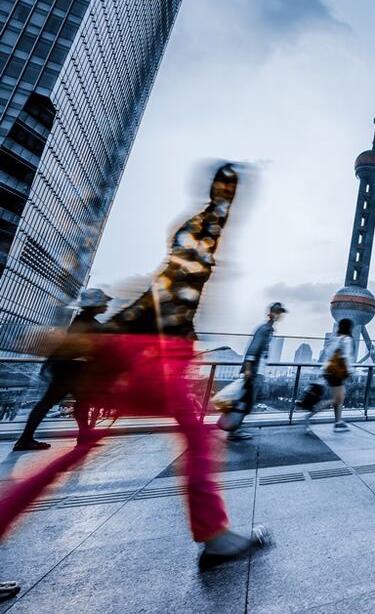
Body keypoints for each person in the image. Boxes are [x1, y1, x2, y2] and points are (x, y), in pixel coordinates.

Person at [0, 163, 269, 571]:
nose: (210, 252)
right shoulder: (185, 271)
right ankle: (215, 536)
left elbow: (139, 309)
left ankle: (215, 534)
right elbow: (195, 249)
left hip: (147, 358)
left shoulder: (172, 271)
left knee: (80, 453)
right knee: (196, 441)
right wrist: (223, 198)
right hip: (158, 362)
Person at [12, 289, 111, 451]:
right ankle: (25, 439)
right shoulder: (87, 323)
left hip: (68, 368)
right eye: (103, 303)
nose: (106, 306)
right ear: (96, 305)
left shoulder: (84, 321)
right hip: (70, 370)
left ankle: (83, 435)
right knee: (53, 402)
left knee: (77, 402)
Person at [225, 302, 287, 441]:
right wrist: (248, 369)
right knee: (246, 402)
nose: (279, 316)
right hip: (254, 372)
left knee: (249, 401)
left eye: (280, 313)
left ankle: (235, 427)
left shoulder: (269, 330)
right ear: (271, 313)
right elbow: (253, 349)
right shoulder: (264, 329)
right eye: (277, 312)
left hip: (259, 372)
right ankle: (233, 430)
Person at [310, 318, 353, 431]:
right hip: (337, 372)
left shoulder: (335, 338)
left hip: (329, 370)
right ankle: (310, 415)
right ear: (349, 328)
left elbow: (328, 354)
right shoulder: (346, 339)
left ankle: (338, 421)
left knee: (340, 397)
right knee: (337, 399)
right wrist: (350, 371)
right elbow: (345, 358)